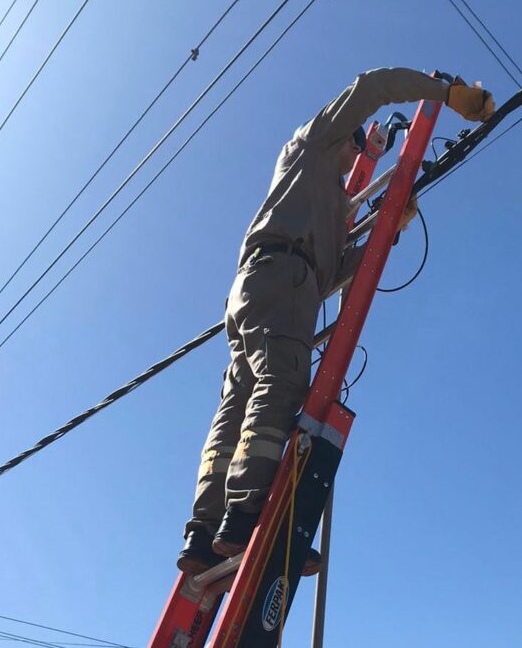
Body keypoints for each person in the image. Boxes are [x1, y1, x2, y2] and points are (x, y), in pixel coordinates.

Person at [177, 67, 495, 574]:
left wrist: (391, 227)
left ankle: (202, 535)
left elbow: (334, 274)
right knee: (282, 384)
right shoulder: (312, 147)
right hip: (280, 275)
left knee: (236, 409)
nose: (358, 152)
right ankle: (245, 517)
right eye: (356, 141)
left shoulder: (326, 211)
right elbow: (372, 87)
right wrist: (447, 94)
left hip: (265, 286)